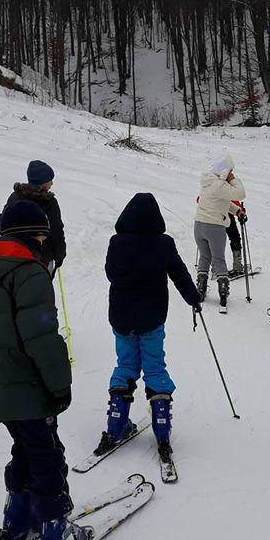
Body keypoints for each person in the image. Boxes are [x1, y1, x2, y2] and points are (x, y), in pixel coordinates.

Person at [0, 199, 90, 540]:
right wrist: (59, 385)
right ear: (36, 235)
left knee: (26, 446)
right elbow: (42, 338)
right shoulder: (29, 272)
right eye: (42, 236)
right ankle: (55, 532)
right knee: (47, 453)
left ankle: (18, 517)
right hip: (25, 384)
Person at [95, 193, 202, 464]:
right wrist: (193, 298)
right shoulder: (163, 243)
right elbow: (178, 272)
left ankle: (116, 424)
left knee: (126, 365)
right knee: (154, 367)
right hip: (151, 318)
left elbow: (110, 273)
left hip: (121, 317)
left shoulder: (116, 243)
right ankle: (162, 428)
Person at [193, 156, 246, 308]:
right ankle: (223, 292)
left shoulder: (207, 182)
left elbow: (222, 201)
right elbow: (241, 194)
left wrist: (237, 211)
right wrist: (233, 180)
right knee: (218, 259)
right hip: (214, 228)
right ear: (225, 171)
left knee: (204, 256)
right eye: (230, 171)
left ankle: (201, 288)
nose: (231, 174)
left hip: (199, 226)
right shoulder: (221, 185)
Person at [0, 160, 66, 274]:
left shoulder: (15, 197)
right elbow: (56, 231)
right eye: (50, 180)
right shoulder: (49, 202)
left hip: (14, 254)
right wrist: (60, 255)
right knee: (40, 288)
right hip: (42, 257)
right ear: (43, 182)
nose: (52, 184)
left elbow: (2, 223)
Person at [225, 200, 248, 277]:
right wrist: (240, 211)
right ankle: (237, 266)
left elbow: (199, 199)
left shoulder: (208, 187)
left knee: (215, 241)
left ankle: (215, 268)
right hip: (226, 215)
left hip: (211, 216)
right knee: (235, 238)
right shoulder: (227, 188)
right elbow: (233, 201)